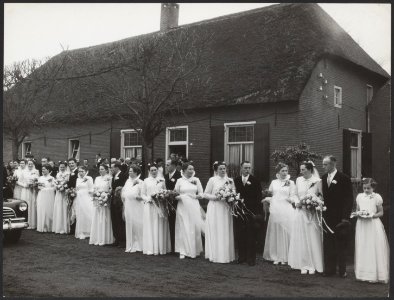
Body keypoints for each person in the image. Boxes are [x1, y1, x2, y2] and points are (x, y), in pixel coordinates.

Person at [288, 161, 323, 274]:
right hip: (301, 212)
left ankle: (313, 264)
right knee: (302, 238)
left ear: (310, 170)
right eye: (301, 169)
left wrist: (314, 204)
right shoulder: (298, 180)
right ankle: (303, 264)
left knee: (312, 238)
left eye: (303, 169)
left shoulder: (317, 181)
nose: (301, 171)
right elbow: (294, 194)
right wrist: (297, 202)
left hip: (312, 214)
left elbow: (321, 197)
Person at [321, 155, 353, 277]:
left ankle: (342, 271)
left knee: (340, 244)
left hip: (340, 217)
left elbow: (349, 199)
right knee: (328, 244)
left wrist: (345, 217)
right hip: (327, 216)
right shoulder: (323, 178)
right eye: (323, 164)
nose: (323, 166)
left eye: (326, 164)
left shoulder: (344, 178)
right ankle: (329, 270)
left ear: (333, 164)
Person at [353, 178, 389, 283]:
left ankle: (375, 274)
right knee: (363, 246)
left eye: (368, 188)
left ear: (373, 187)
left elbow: (381, 213)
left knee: (373, 247)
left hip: (373, 225)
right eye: (364, 188)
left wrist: (372, 215)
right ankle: (363, 273)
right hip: (362, 225)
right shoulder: (359, 197)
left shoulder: (377, 197)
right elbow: (357, 209)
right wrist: (358, 214)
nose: (366, 190)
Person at [263, 163, 296, 265]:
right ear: (278, 172)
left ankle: (286, 256)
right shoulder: (274, 182)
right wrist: (268, 197)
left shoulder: (291, 182)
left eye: (286, 171)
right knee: (276, 232)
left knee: (286, 232)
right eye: (283, 171)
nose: (285, 173)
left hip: (286, 209)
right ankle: (276, 255)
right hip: (276, 210)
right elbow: (271, 194)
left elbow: (294, 196)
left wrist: (289, 199)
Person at [204, 161, 235, 263]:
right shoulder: (212, 180)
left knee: (225, 229)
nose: (222, 170)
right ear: (216, 170)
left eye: (224, 168)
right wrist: (216, 197)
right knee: (215, 229)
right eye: (220, 169)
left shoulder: (230, 180)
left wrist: (230, 197)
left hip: (225, 208)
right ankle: (215, 255)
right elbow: (205, 194)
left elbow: (233, 193)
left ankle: (226, 255)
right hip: (215, 207)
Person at [233, 161, 264, 266]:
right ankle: (241, 257)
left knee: (251, 236)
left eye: (249, 168)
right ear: (241, 168)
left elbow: (259, 197)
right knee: (240, 235)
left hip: (251, 212)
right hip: (239, 212)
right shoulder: (236, 180)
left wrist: (257, 213)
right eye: (245, 168)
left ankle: (251, 259)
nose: (247, 170)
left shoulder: (255, 180)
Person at [174, 162, 205, 259]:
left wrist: (194, 196)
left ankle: (194, 250)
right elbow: (175, 194)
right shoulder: (179, 181)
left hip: (194, 205)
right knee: (183, 227)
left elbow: (201, 193)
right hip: (183, 207)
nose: (192, 171)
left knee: (193, 227)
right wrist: (183, 197)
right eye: (189, 169)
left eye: (192, 169)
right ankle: (182, 250)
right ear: (184, 170)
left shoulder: (196, 180)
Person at [141, 163, 171, 255]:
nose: (154, 172)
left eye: (155, 170)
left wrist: (162, 196)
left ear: (157, 171)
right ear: (149, 171)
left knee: (159, 224)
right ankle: (151, 248)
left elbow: (165, 192)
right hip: (150, 206)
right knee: (151, 224)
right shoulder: (145, 181)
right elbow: (142, 194)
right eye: (152, 170)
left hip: (160, 205)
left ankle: (160, 248)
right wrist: (148, 199)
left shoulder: (162, 180)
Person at [90, 164, 114, 246]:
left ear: (107, 170)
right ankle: (97, 237)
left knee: (104, 218)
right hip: (97, 200)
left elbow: (111, 189)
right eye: (100, 169)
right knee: (97, 217)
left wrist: (106, 196)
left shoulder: (109, 178)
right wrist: (95, 194)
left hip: (105, 201)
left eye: (102, 169)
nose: (100, 170)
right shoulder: (97, 178)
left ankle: (105, 238)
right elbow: (94, 188)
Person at [122, 164, 144, 253]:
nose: (129, 172)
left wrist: (137, 197)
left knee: (138, 224)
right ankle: (131, 244)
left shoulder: (141, 182)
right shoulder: (127, 181)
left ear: (136, 172)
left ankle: (140, 244)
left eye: (131, 171)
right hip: (128, 205)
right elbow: (124, 193)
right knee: (130, 223)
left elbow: (142, 195)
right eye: (129, 171)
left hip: (137, 206)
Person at [164, 159, 182, 254]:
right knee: (170, 224)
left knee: (176, 224)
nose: (166, 166)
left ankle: (177, 246)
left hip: (176, 204)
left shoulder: (179, 176)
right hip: (167, 203)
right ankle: (171, 246)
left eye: (168, 165)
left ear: (174, 166)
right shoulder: (165, 176)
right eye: (166, 165)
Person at [74, 166, 94, 239]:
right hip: (79, 198)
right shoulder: (77, 179)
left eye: (82, 171)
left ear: (86, 171)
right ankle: (82, 231)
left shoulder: (89, 178)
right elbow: (77, 188)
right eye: (79, 171)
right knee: (80, 214)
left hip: (86, 198)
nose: (81, 173)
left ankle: (90, 231)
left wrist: (91, 198)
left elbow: (91, 189)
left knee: (88, 213)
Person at [110, 161, 127, 247]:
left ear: (117, 167)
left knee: (120, 221)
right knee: (115, 220)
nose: (111, 169)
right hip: (113, 201)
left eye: (112, 167)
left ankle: (122, 241)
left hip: (119, 202)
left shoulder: (123, 176)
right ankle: (116, 239)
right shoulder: (113, 176)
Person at [36, 164, 56, 232]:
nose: (43, 170)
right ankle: (42, 226)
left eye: (44, 169)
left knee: (48, 210)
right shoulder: (40, 178)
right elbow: (38, 187)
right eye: (42, 169)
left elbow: (54, 187)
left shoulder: (52, 178)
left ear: (48, 170)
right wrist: (41, 187)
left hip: (49, 195)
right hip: (41, 195)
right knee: (41, 209)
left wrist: (47, 189)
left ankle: (48, 226)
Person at [52, 161, 70, 234]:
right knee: (58, 207)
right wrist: (56, 186)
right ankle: (58, 226)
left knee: (64, 208)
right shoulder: (58, 174)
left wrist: (63, 186)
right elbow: (56, 181)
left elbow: (67, 182)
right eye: (60, 167)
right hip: (59, 193)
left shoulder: (67, 174)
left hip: (64, 192)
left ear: (65, 167)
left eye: (63, 167)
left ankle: (64, 227)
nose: (62, 168)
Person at [21, 160, 40, 229]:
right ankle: (25, 222)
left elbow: (38, 181)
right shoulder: (23, 172)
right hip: (25, 190)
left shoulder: (36, 171)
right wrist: (24, 185)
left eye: (31, 164)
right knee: (25, 205)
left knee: (32, 205)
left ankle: (32, 223)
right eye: (29, 164)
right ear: (27, 164)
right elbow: (19, 181)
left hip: (33, 191)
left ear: (33, 164)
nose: (30, 165)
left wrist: (34, 185)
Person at [67, 158, 79, 235]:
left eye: (72, 163)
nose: (71, 165)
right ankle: (72, 228)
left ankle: (75, 229)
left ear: (75, 163)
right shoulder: (70, 172)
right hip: (71, 193)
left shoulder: (77, 172)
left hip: (76, 193)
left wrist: (73, 191)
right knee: (71, 211)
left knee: (75, 211)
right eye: (70, 163)